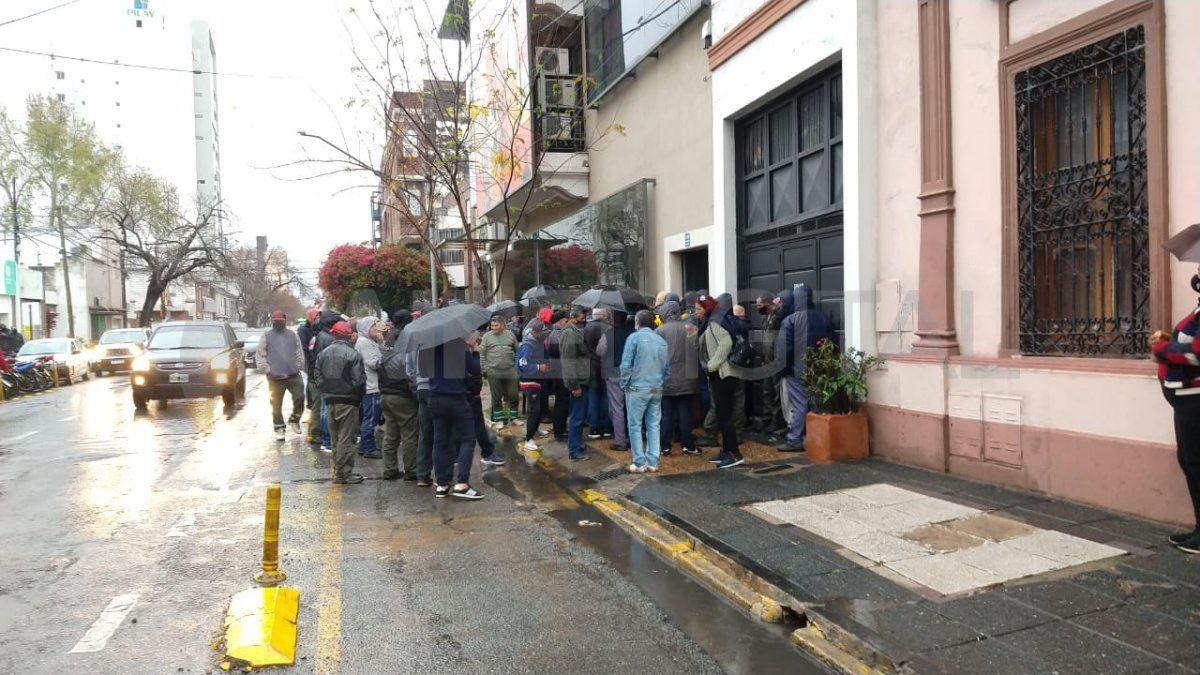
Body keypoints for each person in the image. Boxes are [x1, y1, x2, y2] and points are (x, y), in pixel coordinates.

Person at [1152, 271, 1200, 553]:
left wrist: (1164, 349)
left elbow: (1197, 351)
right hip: (1186, 400)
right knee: (1191, 463)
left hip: (1195, 402)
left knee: (1196, 464)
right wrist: (1171, 342)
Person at [422, 337, 485, 499]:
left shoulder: (428, 345)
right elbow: (475, 369)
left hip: (434, 397)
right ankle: (462, 483)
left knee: (439, 441)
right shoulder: (458, 344)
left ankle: (441, 484)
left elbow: (424, 370)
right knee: (467, 439)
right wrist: (475, 353)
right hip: (456, 398)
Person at [775, 283, 831, 452]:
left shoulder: (789, 320)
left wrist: (781, 370)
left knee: (798, 406)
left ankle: (795, 440)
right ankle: (819, 439)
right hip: (819, 369)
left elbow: (784, 349)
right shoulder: (824, 318)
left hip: (795, 370)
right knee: (818, 404)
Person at [315, 321, 366, 484]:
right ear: (347, 335)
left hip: (330, 400)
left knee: (336, 438)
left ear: (334, 334)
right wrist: (355, 394)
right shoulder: (353, 354)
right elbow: (358, 381)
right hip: (348, 401)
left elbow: (318, 378)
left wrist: (328, 389)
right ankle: (343, 473)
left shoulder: (323, 354)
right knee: (346, 438)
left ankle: (339, 470)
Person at [698, 294, 744, 468]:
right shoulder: (713, 322)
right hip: (723, 374)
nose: (696, 312)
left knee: (724, 416)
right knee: (723, 414)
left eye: (699, 308)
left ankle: (734, 453)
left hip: (723, 374)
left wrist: (712, 365)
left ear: (708, 308)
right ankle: (726, 450)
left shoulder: (715, 322)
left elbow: (726, 343)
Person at [621, 310, 670, 473]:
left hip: (637, 387)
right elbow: (666, 369)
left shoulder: (633, 338)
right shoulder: (661, 341)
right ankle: (653, 462)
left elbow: (626, 364)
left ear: (637, 321)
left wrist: (624, 383)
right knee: (654, 424)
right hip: (656, 386)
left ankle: (639, 462)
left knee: (635, 425)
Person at [656, 300, 700, 456]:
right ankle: (688, 444)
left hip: (666, 379)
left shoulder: (659, 331)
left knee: (667, 414)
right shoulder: (691, 329)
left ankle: (665, 446)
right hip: (688, 378)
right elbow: (696, 351)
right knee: (685, 413)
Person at [378, 310, 418, 481]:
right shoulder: (405, 339)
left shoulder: (387, 340)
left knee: (391, 435)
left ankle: (389, 469)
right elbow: (408, 369)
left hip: (386, 393)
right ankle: (411, 471)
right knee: (409, 435)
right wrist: (414, 391)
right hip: (402, 394)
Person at [256, 310, 306, 440]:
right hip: (275, 377)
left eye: (281, 321)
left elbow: (299, 350)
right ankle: (279, 428)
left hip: (293, 375)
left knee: (300, 397)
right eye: (276, 321)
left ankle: (295, 420)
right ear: (272, 322)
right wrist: (266, 368)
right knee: (276, 405)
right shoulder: (266, 336)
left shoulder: (292, 335)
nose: (278, 323)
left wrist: (299, 364)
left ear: (285, 321)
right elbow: (260, 354)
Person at [464, 330, 505, 467]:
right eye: (476, 334)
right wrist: (476, 352)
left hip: (463, 392)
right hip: (469, 393)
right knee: (477, 425)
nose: (478, 337)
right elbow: (474, 369)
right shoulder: (466, 350)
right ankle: (487, 454)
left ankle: (457, 456)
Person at [598, 310, 634, 450]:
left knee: (617, 408)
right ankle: (633, 439)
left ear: (613, 318)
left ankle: (620, 441)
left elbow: (600, 351)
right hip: (631, 373)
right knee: (631, 408)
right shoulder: (632, 333)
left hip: (613, 374)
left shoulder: (608, 333)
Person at [559, 306, 591, 461]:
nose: (584, 319)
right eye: (582, 317)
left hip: (580, 379)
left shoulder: (574, 331)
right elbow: (569, 362)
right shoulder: (570, 334)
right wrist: (574, 386)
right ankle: (574, 451)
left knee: (578, 415)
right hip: (577, 381)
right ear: (574, 317)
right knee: (576, 417)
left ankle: (576, 445)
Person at [516, 319, 552, 452]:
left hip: (540, 379)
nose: (545, 336)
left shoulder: (540, 343)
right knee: (534, 410)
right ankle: (528, 439)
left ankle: (535, 430)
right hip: (529, 381)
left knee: (540, 408)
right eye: (543, 333)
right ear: (534, 332)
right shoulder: (527, 346)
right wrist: (538, 366)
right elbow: (521, 365)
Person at [755, 294, 786, 436]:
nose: (758, 308)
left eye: (760, 305)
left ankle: (776, 420)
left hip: (775, 361)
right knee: (766, 391)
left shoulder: (778, 318)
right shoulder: (765, 318)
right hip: (766, 361)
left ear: (767, 304)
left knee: (775, 392)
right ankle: (766, 418)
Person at [481, 315, 520, 425]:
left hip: (510, 370)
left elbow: (518, 351)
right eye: (492, 325)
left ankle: (514, 418)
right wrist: (484, 369)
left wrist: (516, 366)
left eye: (496, 325)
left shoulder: (510, 335)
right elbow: (482, 354)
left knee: (513, 394)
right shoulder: (486, 337)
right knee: (496, 396)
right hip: (493, 371)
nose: (493, 327)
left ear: (503, 325)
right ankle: (499, 419)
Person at [354, 317, 384, 458]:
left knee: (369, 417)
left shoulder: (367, 341)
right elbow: (373, 362)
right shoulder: (365, 343)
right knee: (371, 419)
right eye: (373, 327)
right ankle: (369, 449)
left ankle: (363, 447)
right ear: (366, 328)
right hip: (371, 386)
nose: (376, 329)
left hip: (371, 385)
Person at [406, 341, 434, 487]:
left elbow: (409, 369)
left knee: (425, 433)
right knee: (443, 431)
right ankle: (445, 475)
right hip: (438, 388)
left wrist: (417, 383)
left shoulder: (415, 343)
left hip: (421, 388)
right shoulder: (440, 340)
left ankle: (423, 474)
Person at [583, 309, 612, 439]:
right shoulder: (609, 327)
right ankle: (607, 427)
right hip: (606, 364)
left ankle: (594, 428)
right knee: (607, 397)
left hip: (591, 365)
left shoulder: (587, 328)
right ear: (604, 315)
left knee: (593, 396)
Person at [546, 310, 570, 440]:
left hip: (557, 371)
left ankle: (559, 429)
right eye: (566, 321)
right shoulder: (557, 335)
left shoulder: (554, 333)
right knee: (562, 401)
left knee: (561, 401)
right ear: (560, 321)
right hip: (560, 371)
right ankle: (559, 431)